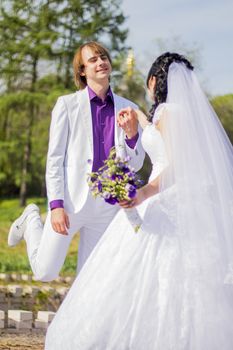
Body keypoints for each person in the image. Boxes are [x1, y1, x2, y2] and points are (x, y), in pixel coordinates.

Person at [45, 52, 233, 350]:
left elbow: (176, 166)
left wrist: (142, 193)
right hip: (175, 201)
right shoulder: (174, 114)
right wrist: (139, 125)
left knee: (129, 273)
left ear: (154, 81)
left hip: (160, 198)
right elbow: (161, 142)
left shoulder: (169, 113)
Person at [8, 41, 145, 281]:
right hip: (70, 203)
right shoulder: (67, 105)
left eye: (103, 57)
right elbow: (55, 160)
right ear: (82, 71)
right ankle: (31, 220)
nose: (101, 62)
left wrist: (133, 135)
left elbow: (135, 164)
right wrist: (56, 205)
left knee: (89, 281)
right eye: (93, 60)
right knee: (45, 272)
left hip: (106, 206)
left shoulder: (129, 108)